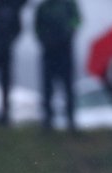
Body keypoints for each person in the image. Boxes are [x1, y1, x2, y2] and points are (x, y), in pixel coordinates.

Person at [35, 0, 81, 131]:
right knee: (47, 88)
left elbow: (77, 20)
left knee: (68, 87)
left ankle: (70, 119)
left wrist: (68, 32)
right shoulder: (43, 7)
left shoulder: (69, 4)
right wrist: (45, 39)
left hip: (65, 51)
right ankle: (48, 120)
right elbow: (37, 28)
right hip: (48, 52)